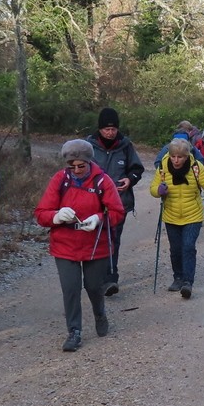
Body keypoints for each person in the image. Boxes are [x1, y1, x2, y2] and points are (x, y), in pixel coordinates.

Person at [34, 140, 125, 352]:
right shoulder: (60, 180)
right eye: (71, 166)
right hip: (65, 244)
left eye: (80, 166)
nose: (76, 170)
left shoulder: (103, 181)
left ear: (89, 161)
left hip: (95, 244)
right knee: (71, 289)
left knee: (93, 287)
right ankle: (74, 331)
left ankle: (99, 313)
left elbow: (117, 212)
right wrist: (56, 216)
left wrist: (99, 218)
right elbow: (41, 213)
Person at [86, 107, 145, 296]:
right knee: (95, 239)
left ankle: (111, 278)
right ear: (100, 129)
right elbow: (78, 171)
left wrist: (130, 179)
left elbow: (137, 169)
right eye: (106, 129)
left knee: (113, 240)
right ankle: (94, 277)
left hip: (119, 203)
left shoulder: (125, 145)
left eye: (113, 129)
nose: (110, 133)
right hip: (92, 202)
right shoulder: (89, 146)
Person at [150, 137, 204, 298]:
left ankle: (188, 282)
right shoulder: (163, 168)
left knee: (187, 247)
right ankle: (178, 277)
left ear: (187, 156)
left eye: (180, 157)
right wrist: (159, 190)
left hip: (193, 215)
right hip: (171, 215)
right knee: (175, 250)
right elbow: (152, 189)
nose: (176, 160)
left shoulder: (196, 167)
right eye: (173, 156)